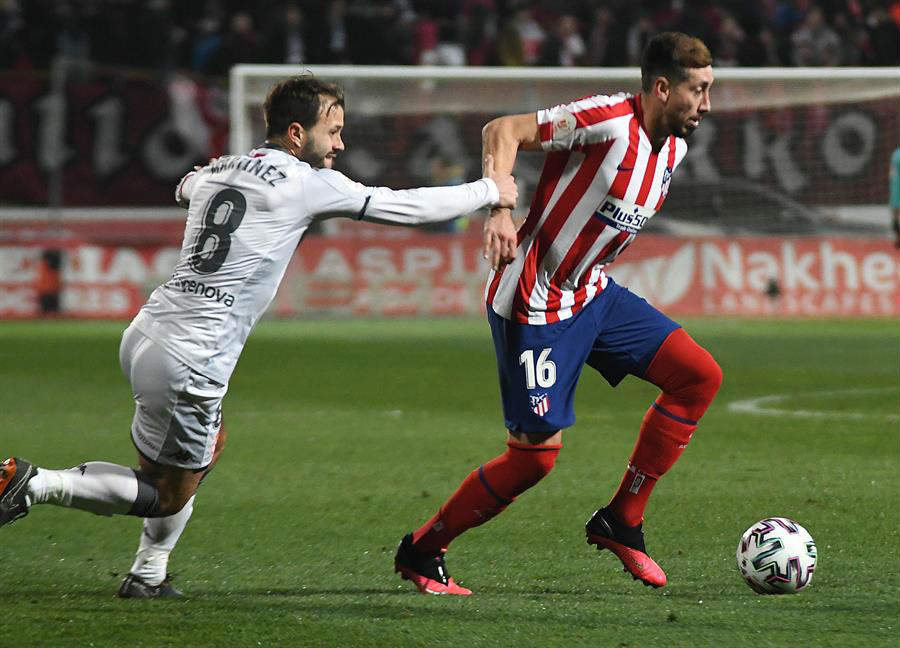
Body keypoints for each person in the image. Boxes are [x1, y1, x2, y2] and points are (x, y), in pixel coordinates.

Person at [0, 75, 518, 598]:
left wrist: (202, 178)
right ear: (296, 134)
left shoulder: (221, 167)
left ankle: (148, 576)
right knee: (166, 493)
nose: (340, 144)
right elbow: (403, 207)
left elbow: (185, 185)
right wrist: (489, 191)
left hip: (149, 332)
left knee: (197, 453)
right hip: (193, 355)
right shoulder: (305, 181)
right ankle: (33, 482)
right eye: (332, 131)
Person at [395, 32, 723, 596]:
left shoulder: (673, 150)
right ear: (663, 87)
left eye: (710, 90)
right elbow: (502, 130)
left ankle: (622, 520)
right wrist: (500, 209)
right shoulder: (607, 120)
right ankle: (423, 551)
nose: (707, 104)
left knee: (698, 376)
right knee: (534, 460)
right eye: (698, 90)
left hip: (592, 295)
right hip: (534, 299)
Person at [890, 145, 899, 249]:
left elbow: (891, 173)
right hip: (896, 190)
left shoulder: (895, 154)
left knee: (895, 214)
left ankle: (897, 237)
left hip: (895, 190)